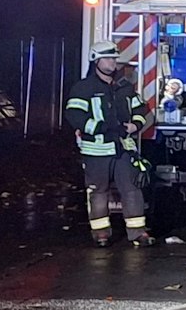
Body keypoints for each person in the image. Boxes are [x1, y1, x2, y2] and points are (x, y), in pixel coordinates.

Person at [65, 41, 156, 247]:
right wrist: (99, 128)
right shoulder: (84, 88)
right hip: (96, 150)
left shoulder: (124, 87)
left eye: (114, 58)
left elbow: (141, 110)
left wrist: (134, 126)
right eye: (107, 58)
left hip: (123, 148)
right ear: (96, 61)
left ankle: (137, 233)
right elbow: (74, 115)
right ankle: (101, 234)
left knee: (132, 189)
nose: (112, 62)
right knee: (98, 192)